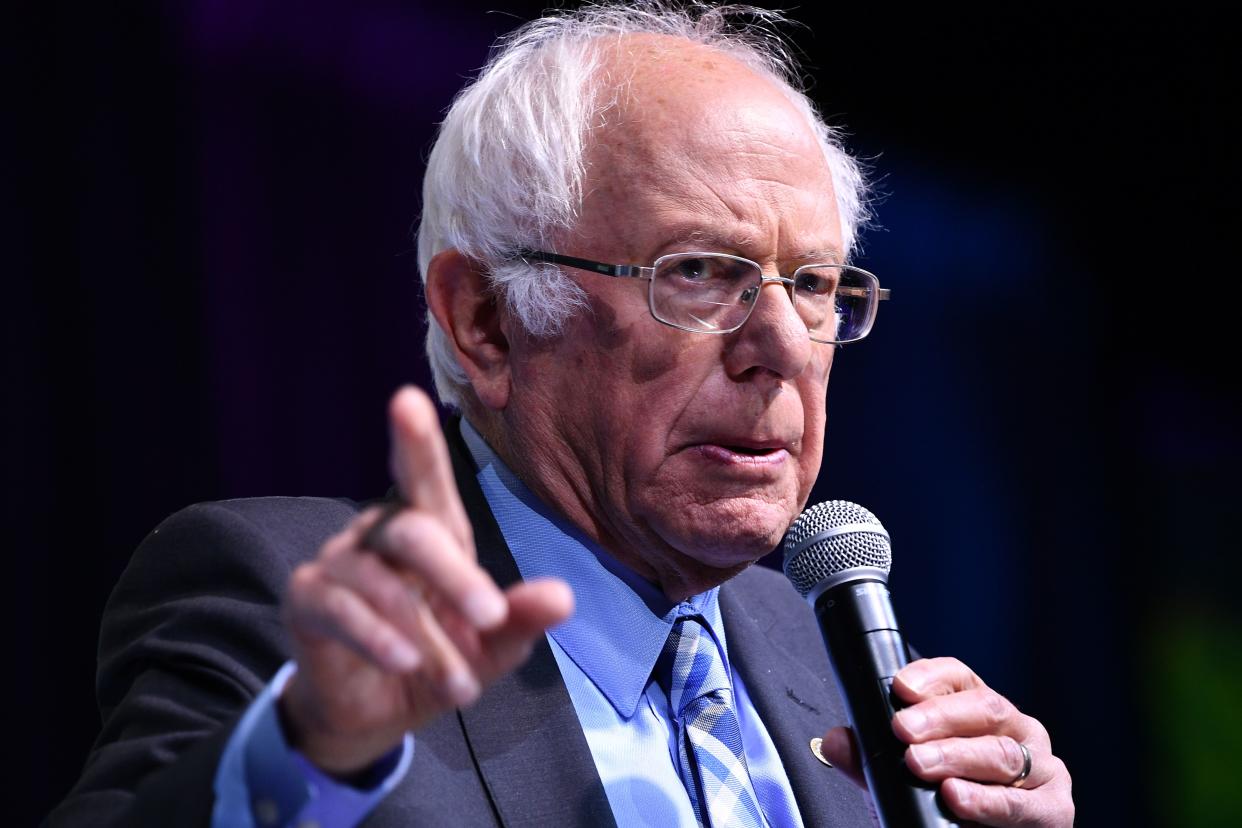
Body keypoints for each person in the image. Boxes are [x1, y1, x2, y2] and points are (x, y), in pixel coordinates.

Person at [49, 3, 1074, 826]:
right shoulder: (284, 603)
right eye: (703, 273)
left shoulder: (829, 663)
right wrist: (303, 756)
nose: (783, 348)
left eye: (812, 283)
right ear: (488, 321)